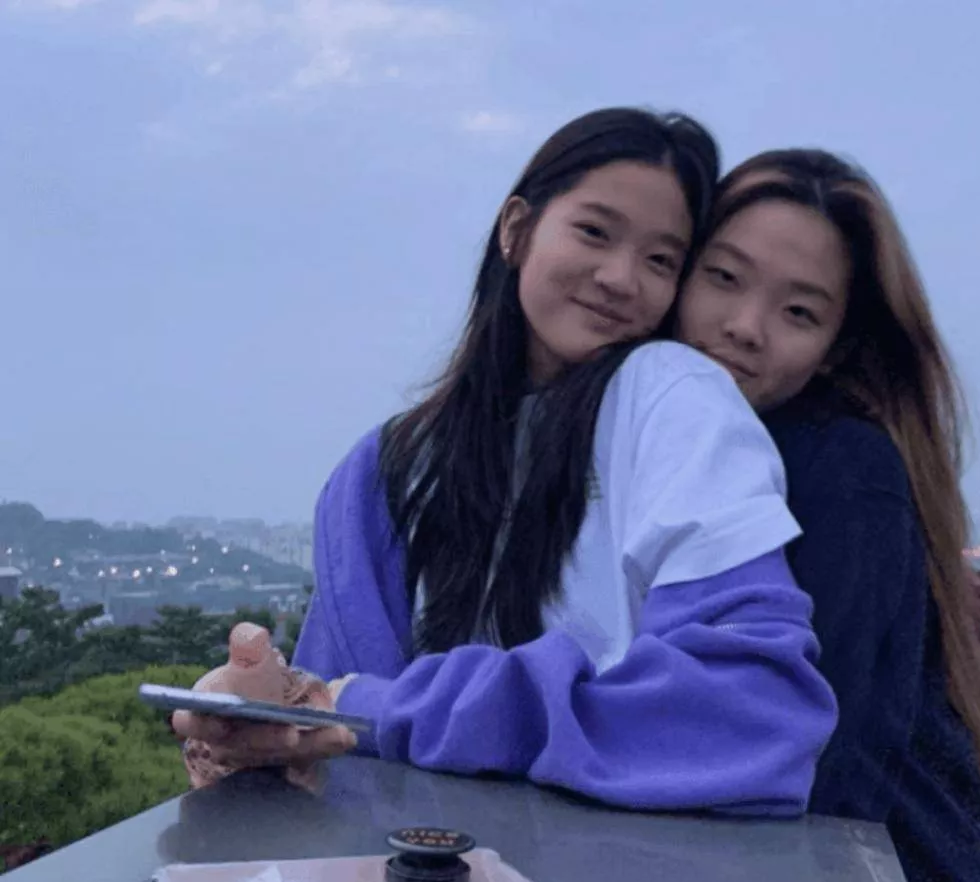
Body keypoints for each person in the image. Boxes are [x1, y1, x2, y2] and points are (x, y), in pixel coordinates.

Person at [174, 107, 839, 815]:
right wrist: (258, 710)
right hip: (408, 873)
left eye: (660, 261)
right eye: (595, 232)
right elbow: (327, 735)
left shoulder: (671, 397)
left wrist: (381, 709)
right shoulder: (382, 473)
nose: (620, 278)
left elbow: (751, 709)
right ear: (517, 229)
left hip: (622, 877)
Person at [676, 148, 980, 882]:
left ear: (833, 347)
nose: (745, 325)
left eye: (798, 311)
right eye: (724, 277)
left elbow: (825, 762)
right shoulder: (685, 450)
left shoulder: (839, 468)